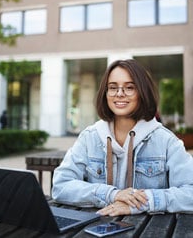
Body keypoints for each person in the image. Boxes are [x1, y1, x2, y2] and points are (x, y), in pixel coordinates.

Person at [52, 59, 193, 216]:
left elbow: (190, 192)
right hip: (97, 227)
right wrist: (112, 194)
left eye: (129, 87)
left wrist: (142, 202)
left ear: (142, 92)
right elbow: (61, 186)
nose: (119, 93)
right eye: (113, 87)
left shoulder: (165, 140)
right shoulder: (89, 137)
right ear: (105, 93)